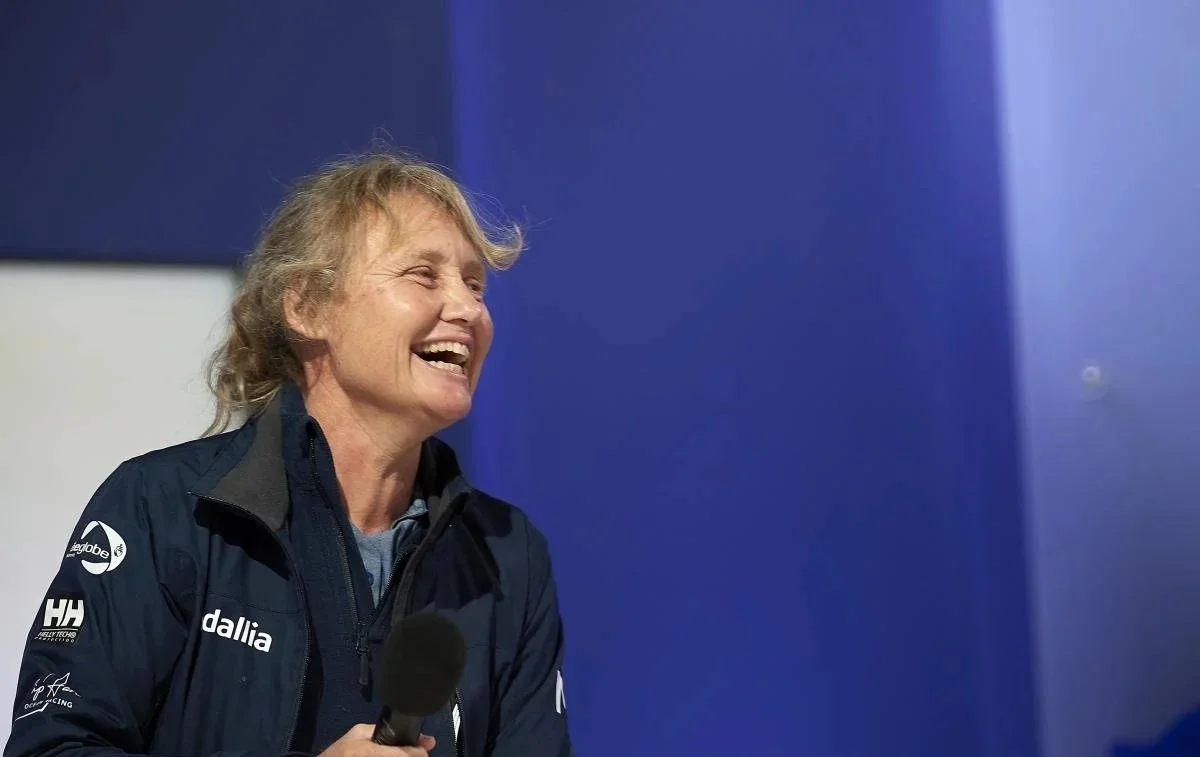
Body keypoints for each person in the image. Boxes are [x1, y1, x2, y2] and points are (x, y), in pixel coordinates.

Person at [4, 149, 573, 757]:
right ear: (306, 307)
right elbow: (54, 749)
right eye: (423, 275)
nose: (468, 309)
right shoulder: (164, 509)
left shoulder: (509, 554)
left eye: (475, 284)